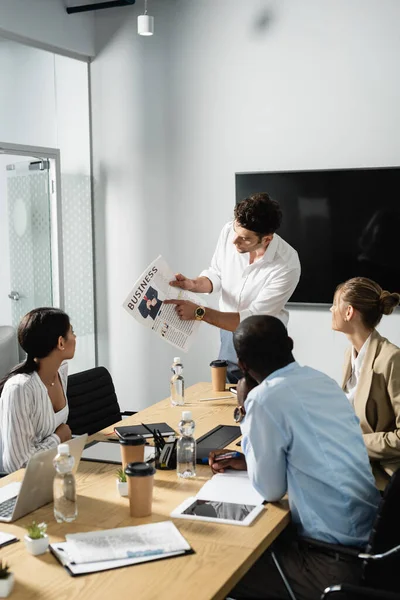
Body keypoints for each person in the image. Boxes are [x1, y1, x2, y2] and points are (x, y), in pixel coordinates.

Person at [209, 315, 380, 600]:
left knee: (213, 568)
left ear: (242, 366)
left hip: (330, 565)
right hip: (369, 545)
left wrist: (244, 409)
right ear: (290, 343)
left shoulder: (264, 398)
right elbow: (310, 449)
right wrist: (252, 459)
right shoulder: (322, 381)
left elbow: (270, 490)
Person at [164, 193, 301, 382]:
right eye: (236, 231)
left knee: (265, 396)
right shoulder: (230, 231)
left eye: (245, 238)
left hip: (264, 337)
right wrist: (193, 284)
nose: (234, 241)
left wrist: (199, 313)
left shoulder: (287, 264)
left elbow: (252, 318)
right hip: (227, 330)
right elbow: (217, 274)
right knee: (229, 394)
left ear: (267, 239)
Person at [331, 277, 400, 472]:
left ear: (349, 312)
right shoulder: (350, 353)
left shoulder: (391, 359)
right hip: (352, 459)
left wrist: (353, 443)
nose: (331, 310)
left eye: (335, 304)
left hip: (381, 470)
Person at [0, 307, 75, 473]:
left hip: (51, 470)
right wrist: (58, 438)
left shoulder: (61, 370)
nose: (75, 337)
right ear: (61, 342)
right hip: (20, 486)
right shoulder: (20, 388)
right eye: (72, 332)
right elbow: (18, 464)